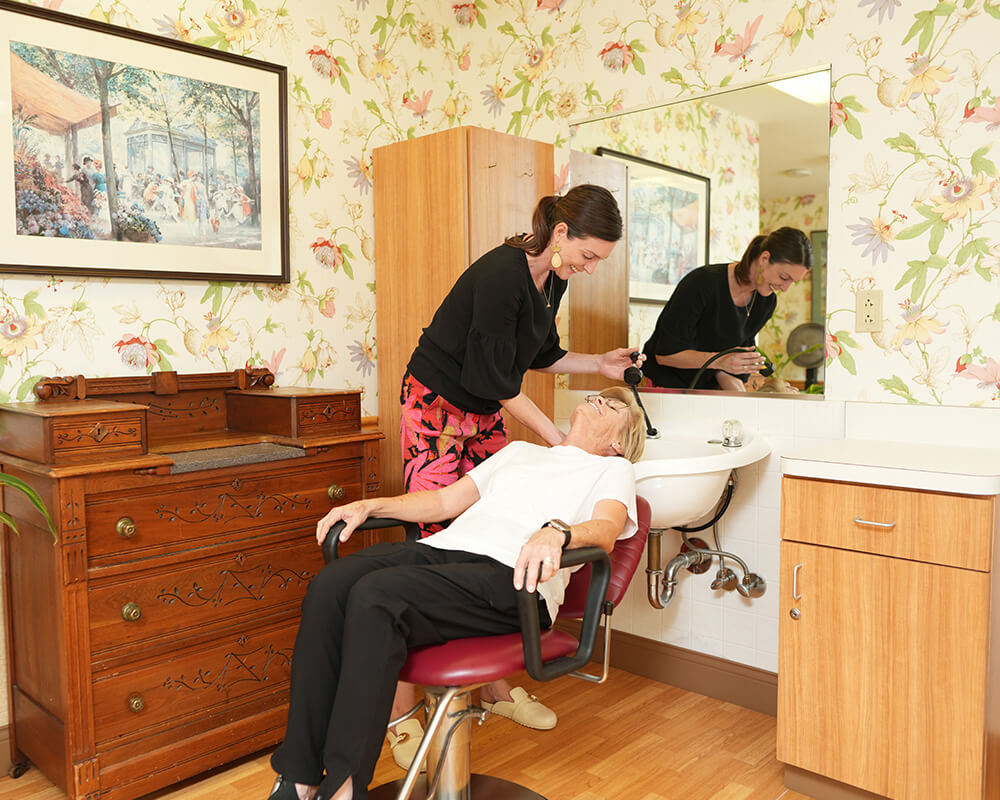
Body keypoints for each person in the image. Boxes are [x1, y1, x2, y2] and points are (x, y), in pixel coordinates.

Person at [266, 389, 646, 800]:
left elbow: (606, 532)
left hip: (513, 579)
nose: (599, 400)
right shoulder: (520, 452)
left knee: (376, 596)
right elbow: (445, 500)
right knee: (331, 585)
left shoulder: (613, 470)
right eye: (598, 396)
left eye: (615, 405)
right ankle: (298, 777)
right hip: (447, 552)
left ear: (619, 442)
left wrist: (558, 531)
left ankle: (343, 787)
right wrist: (372, 506)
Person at [392, 183, 642, 761]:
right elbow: (496, 379)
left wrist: (597, 363)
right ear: (561, 234)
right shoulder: (504, 274)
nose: (590, 269)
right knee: (443, 543)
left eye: (599, 261)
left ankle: (495, 683)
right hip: (436, 407)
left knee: (495, 541)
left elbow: (541, 356)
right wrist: (558, 439)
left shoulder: (548, 279)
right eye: (589, 256)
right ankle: (403, 712)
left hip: (482, 412)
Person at [641, 227, 811, 391]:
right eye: (784, 277)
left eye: (792, 282)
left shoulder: (765, 303)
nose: (785, 288)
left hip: (705, 392)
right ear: (764, 259)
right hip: (661, 384)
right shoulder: (702, 283)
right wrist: (720, 361)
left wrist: (744, 401)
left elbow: (727, 367)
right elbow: (664, 355)